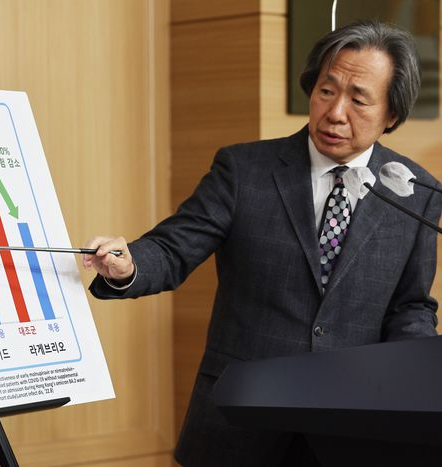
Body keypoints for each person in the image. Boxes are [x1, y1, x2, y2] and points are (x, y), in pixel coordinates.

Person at [83, 20, 442, 467]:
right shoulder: (244, 169)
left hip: (353, 431)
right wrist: (130, 264)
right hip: (242, 420)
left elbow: (410, 305)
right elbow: (173, 248)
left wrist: (420, 372)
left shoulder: (415, 191)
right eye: (326, 91)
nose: (335, 112)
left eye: (359, 99)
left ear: (392, 115)